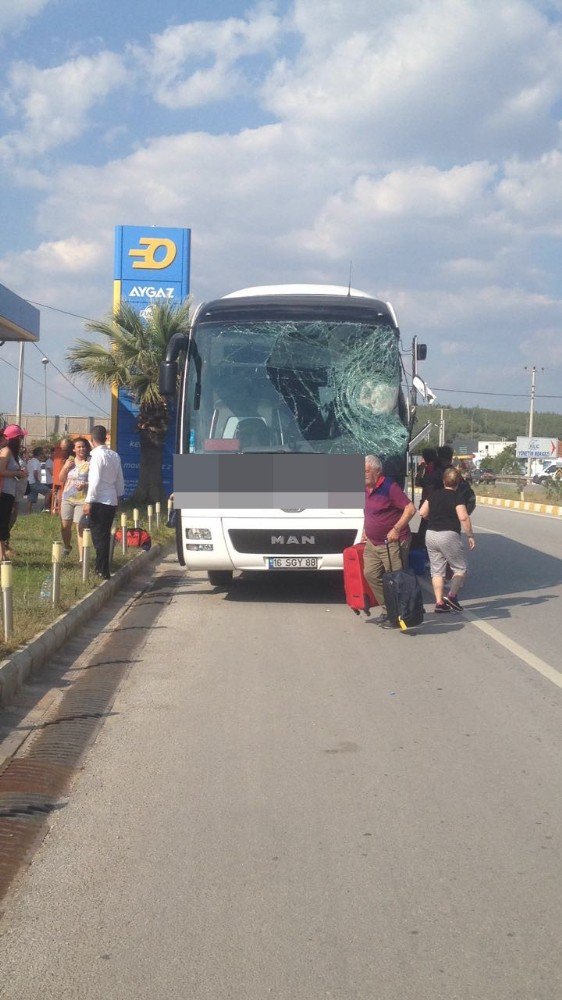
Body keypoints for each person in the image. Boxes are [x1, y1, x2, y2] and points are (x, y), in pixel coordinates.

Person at [362, 454, 416, 627]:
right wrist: (365, 529)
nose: (363, 474)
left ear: (377, 471)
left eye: (366, 471)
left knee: (396, 579)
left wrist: (396, 529)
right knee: (370, 574)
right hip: (373, 542)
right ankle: (389, 609)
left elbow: (410, 508)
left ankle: (403, 614)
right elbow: (369, 512)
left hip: (392, 542)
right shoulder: (365, 488)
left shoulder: (389, 487)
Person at [418, 466, 476, 613]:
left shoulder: (434, 495)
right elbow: (463, 517)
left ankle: (439, 603)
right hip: (448, 534)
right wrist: (470, 535)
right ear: (458, 482)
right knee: (460, 568)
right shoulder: (457, 497)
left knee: (437, 571)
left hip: (431, 534)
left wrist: (432, 517)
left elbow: (422, 512)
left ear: (444, 481)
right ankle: (452, 596)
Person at [83, 426, 124, 579]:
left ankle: (101, 569)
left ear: (91, 439)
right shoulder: (114, 455)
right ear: (106, 438)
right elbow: (120, 479)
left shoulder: (97, 457)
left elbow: (94, 480)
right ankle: (102, 567)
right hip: (111, 498)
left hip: (99, 500)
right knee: (104, 535)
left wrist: (89, 501)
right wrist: (119, 497)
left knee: (99, 536)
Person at [59, 437, 91, 561]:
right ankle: (67, 547)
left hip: (82, 499)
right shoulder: (70, 461)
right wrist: (66, 467)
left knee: (80, 527)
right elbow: (61, 479)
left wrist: (85, 484)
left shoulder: (90, 462)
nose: (81, 449)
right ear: (74, 449)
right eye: (79, 447)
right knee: (65, 526)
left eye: (83, 446)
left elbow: (95, 481)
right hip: (67, 498)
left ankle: (82, 559)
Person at [0, 424, 28, 560]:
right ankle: (2, 555)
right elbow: (1, 470)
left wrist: (18, 474)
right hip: (3, 492)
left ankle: (3, 554)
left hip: (9, 492)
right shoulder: (6, 451)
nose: (21, 440)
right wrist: (18, 473)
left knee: (4, 522)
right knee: (2, 522)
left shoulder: (12, 453)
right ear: (15, 439)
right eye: (20, 437)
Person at [436, 445, 476, 514]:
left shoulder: (436, 474)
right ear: (451, 458)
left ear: (439, 458)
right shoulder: (455, 474)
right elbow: (470, 498)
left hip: (436, 517)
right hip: (453, 518)